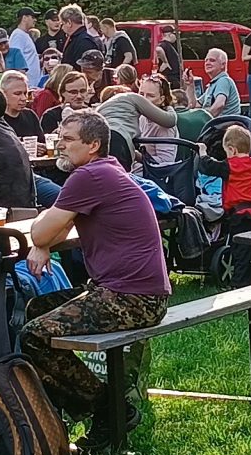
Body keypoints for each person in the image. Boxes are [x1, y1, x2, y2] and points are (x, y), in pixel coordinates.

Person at [21, 112, 171, 428]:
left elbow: (41, 232)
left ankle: (110, 410)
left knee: (34, 335)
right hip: (139, 294)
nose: (60, 145)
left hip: (132, 299)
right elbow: (55, 231)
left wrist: (42, 237)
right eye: (59, 137)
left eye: (68, 139)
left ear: (93, 145)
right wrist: (45, 240)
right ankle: (64, 411)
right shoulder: (106, 170)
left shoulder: (88, 177)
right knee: (37, 308)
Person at [193, 48, 242, 118]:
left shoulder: (224, 81)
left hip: (224, 123)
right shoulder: (213, 84)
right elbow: (194, 105)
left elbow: (219, 105)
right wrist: (190, 85)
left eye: (212, 60)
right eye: (206, 60)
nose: (207, 63)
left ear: (222, 65)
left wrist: (204, 119)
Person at [5, 9, 44, 81]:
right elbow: (14, 58)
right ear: (24, 18)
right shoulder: (18, 35)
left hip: (32, 81)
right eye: (32, 17)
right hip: (26, 81)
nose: (35, 20)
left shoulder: (24, 34)